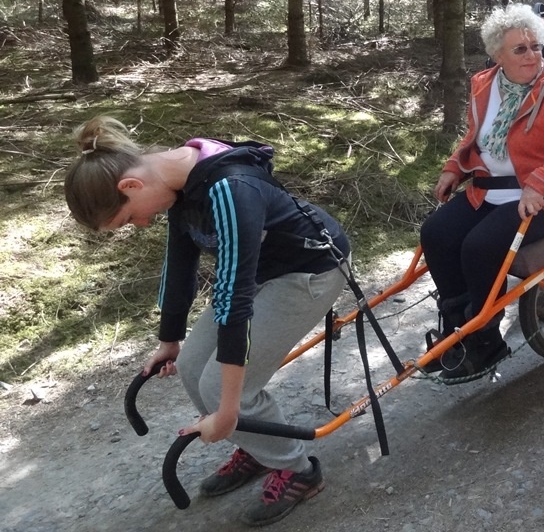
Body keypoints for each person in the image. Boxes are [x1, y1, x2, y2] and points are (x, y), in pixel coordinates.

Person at [63, 117, 350, 527]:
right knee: (195, 367)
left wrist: (230, 410)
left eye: (128, 219)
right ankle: (259, 447)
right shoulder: (176, 180)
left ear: (131, 186)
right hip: (265, 273)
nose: (140, 224)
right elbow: (180, 262)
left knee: (222, 388)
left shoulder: (230, 189)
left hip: (311, 270)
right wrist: (169, 340)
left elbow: (235, 302)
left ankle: (298, 470)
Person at [420, 3, 544, 381]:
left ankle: (487, 341)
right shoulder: (484, 86)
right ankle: (457, 331)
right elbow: (475, 140)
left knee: (479, 246)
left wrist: (539, 181)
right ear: (497, 55)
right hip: (489, 191)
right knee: (435, 234)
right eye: (520, 49)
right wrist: (454, 166)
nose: (532, 55)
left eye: (536, 46)